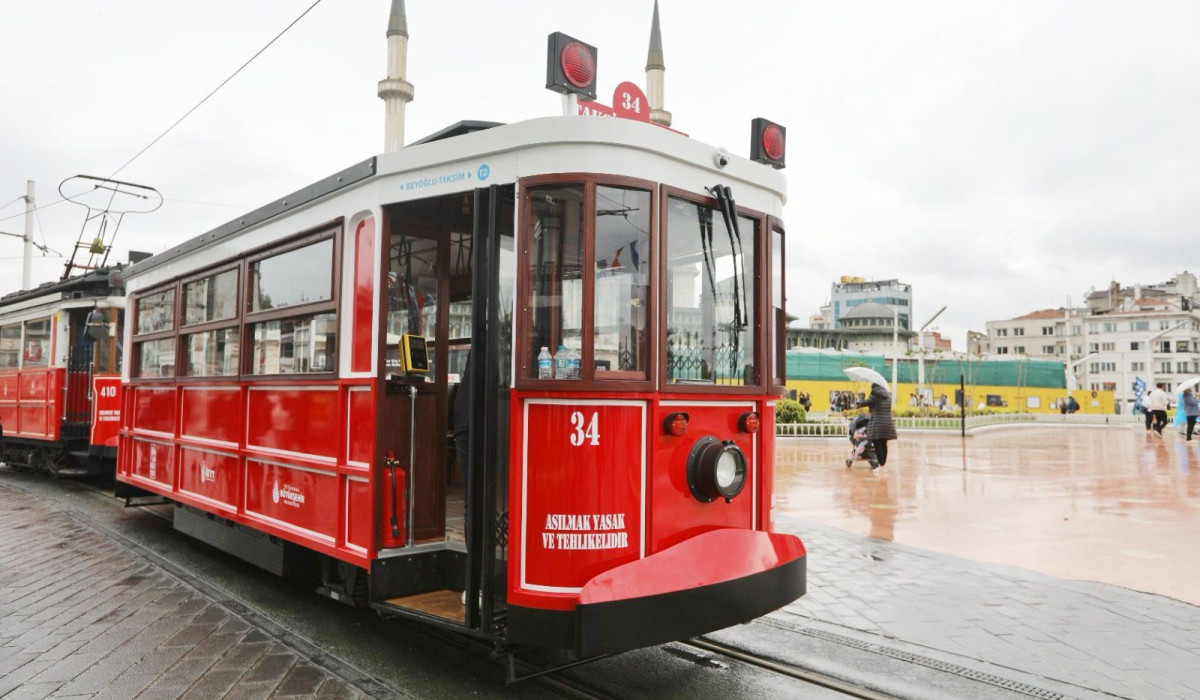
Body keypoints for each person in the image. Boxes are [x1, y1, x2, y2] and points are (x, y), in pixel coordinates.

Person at [858, 382, 898, 468]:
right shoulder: (888, 396)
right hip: (887, 423)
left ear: (873, 388)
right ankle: (883, 462)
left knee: (877, 443)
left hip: (877, 423)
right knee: (884, 443)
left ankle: (881, 463)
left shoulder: (874, 396)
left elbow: (861, 403)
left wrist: (862, 394)